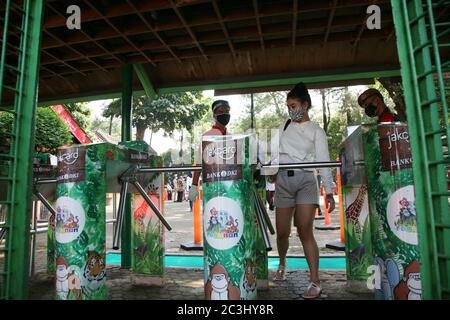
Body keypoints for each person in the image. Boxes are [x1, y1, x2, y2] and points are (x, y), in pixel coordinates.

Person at [272, 82, 335, 299]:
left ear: (305, 105)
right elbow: (274, 153)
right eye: (288, 106)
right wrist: (270, 167)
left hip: (307, 180)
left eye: (294, 105)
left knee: (305, 229)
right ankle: (282, 263)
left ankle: (315, 280)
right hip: (283, 180)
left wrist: (328, 190)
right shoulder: (284, 126)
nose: (291, 110)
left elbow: (324, 160)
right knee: (282, 231)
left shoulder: (317, 130)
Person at [189, 100, 232, 201]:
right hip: (212, 184)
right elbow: (199, 162)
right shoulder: (207, 136)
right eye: (221, 112)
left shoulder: (232, 137)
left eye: (227, 111)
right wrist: (194, 185)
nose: (224, 114)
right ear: (214, 114)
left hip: (230, 185)